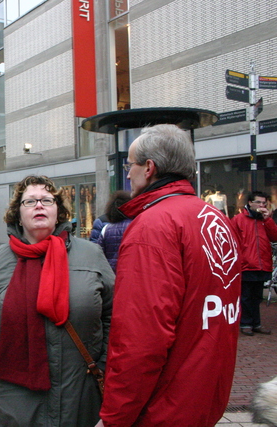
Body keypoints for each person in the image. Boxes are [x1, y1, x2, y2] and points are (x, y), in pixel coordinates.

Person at [96, 124, 242, 427]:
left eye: (130, 165)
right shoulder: (214, 218)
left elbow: (140, 338)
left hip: (164, 407)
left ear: (149, 168)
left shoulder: (154, 226)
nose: (127, 174)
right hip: (205, 395)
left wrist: (115, 416)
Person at [0, 175, 114, 426]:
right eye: (30, 202)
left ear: (59, 211)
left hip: (81, 398)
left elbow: (114, 315)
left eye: (46, 200)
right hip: (12, 402)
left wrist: (104, 365)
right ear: (17, 214)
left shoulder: (92, 255)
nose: (39, 205)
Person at [232, 191, 277, 336]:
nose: (262, 205)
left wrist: (268, 220)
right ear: (250, 203)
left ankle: (256, 323)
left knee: (257, 296)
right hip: (246, 264)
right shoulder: (239, 219)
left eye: (264, 203)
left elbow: (274, 236)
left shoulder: (265, 221)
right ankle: (245, 323)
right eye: (258, 202)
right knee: (246, 296)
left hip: (262, 263)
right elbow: (232, 242)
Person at [96, 190, 132, 272]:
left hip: (110, 274)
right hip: (128, 271)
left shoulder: (106, 229)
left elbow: (99, 255)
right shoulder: (134, 225)